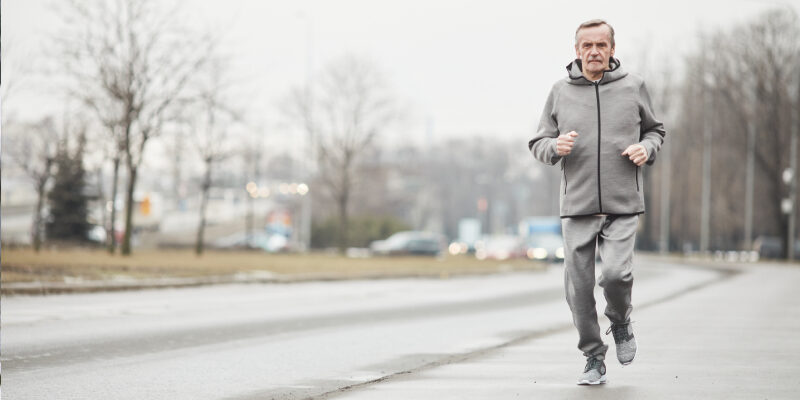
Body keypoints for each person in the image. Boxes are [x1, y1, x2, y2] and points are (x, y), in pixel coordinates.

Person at [527, 19, 666, 385]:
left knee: (617, 275)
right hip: (578, 206)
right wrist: (554, 147)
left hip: (622, 204)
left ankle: (620, 323)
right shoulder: (559, 92)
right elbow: (538, 142)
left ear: (611, 50)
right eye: (586, 46)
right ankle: (593, 356)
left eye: (601, 45)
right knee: (578, 289)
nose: (594, 52)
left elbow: (656, 130)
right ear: (577, 51)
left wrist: (646, 147)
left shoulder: (634, 87)